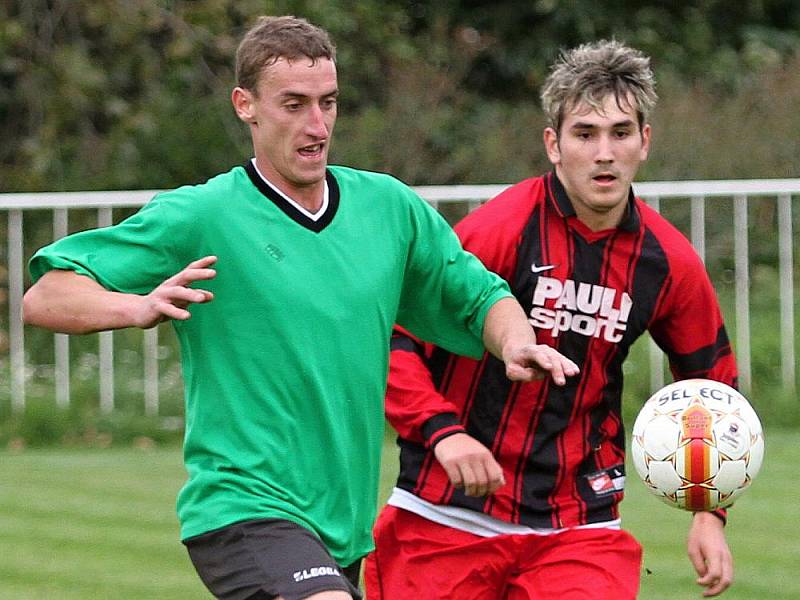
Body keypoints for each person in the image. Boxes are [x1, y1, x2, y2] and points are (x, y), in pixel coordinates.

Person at [21, 15, 578, 600]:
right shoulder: (202, 215)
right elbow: (47, 295)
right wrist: (135, 306)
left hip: (341, 521)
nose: (317, 124)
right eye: (294, 104)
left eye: (328, 102)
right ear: (246, 106)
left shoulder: (387, 208)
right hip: (242, 505)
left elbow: (480, 294)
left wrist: (517, 343)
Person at [365, 39, 738, 600]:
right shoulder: (497, 231)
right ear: (554, 144)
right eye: (585, 134)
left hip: (579, 522)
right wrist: (443, 433)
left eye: (620, 133)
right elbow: (396, 339)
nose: (604, 152)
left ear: (645, 142)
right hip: (445, 513)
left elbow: (713, 388)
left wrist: (709, 510)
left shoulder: (669, 263)